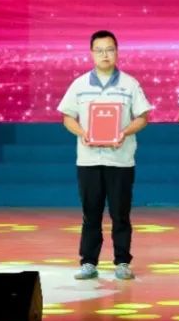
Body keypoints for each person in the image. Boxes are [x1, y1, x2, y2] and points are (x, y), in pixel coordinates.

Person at [58, 30, 151, 281]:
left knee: (121, 214)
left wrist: (124, 132)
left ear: (117, 52)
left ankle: (122, 262)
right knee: (91, 213)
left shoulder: (129, 84)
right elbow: (67, 117)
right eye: (99, 50)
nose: (105, 55)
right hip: (89, 159)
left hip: (120, 160)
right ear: (91, 53)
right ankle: (88, 262)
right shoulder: (79, 85)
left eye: (109, 49)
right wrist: (82, 133)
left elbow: (143, 117)